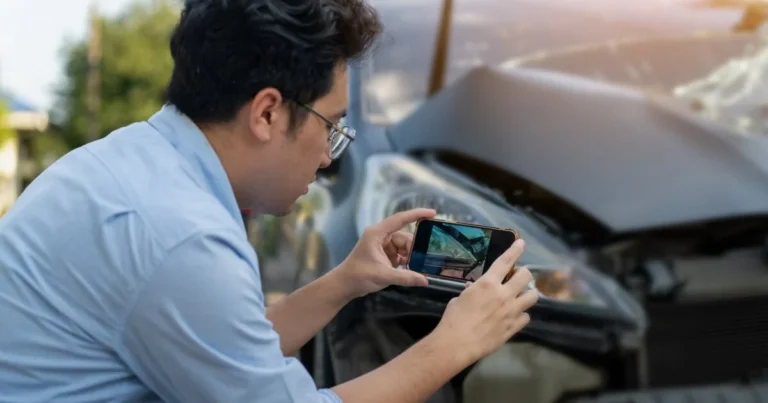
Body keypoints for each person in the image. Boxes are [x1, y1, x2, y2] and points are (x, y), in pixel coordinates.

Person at [0, 0, 539, 402]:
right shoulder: (179, 235)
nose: (330, 159)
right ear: (267, 114)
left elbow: (226, 356)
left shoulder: (133, 164)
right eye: (333, 127)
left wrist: (347, 281)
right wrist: (453, 345)